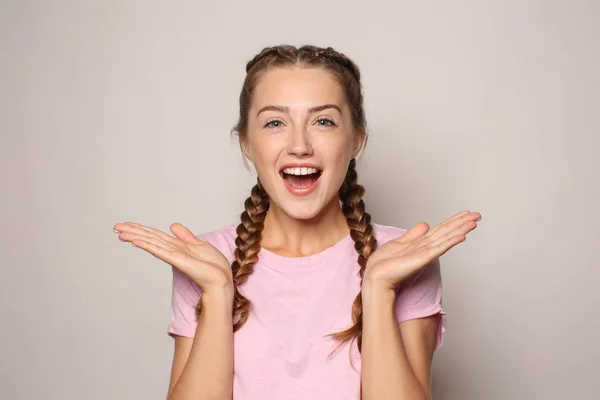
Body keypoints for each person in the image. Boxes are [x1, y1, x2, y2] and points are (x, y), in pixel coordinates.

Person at [113, 44, 481, 400]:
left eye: (323, 121)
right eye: (275, 122)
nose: (299, 145)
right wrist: (216, 291)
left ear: (356, 140)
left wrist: (379, 288)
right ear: (246, 143)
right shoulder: (206, 260)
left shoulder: (403, 259)